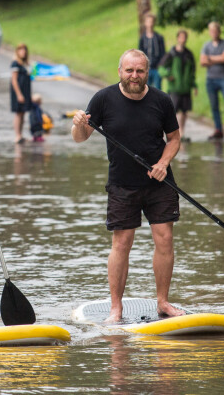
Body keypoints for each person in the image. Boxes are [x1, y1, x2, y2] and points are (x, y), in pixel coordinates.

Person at [71, 49, 184, 322]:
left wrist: (164, 163)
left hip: (158, 181)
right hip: (122, 184)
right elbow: (80, 137)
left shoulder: (161, 100)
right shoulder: (103, 99)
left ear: (147, 73)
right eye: (129, 70)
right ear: (120, 71)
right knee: (122, 243)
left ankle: (163, 303)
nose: (135, 76)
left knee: (165, 239)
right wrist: (77, 125)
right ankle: (116, 308)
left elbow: (174, 139)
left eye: (140, 71)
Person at [159, 30, 197, 142]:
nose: (183, 39)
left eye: (185, 37)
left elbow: (192, 72)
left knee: (184, 111)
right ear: (177, 38)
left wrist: (194, 85)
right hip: (174, 88)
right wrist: (168, 75)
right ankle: (171, 134)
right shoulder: (171, 53)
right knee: (172, 112)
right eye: (181, 37)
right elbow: (161, 68)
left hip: (186, 88)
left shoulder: (189, 54)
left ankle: (182, 133)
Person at [10, 43, 32, 143]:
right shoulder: (15, 63)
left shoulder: (25, 64)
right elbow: (14, 80)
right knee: (18, 113)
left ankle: (21, 134)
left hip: (25, 91)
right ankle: (17, 135)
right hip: (19, 92)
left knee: (23, 113)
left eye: (24, 50)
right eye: (21, 50)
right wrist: (19, 94)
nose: (23, 52)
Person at [138, 13, 166, 90]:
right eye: (148, 21)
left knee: (157, 89)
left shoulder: (159, 38)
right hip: (146, 69)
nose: (150, 24)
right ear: (145, 23)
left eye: (151, 21)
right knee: (145, 89)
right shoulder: (142, 39)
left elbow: (163, 53)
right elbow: (140, 53)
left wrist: (160, 65)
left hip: (156, 69)